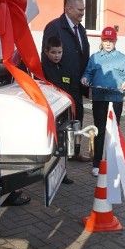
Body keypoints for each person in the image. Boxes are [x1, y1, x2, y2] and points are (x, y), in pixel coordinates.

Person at [42, 0, 91, 162]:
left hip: (77, 85)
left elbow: (84, 55)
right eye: (80, 10)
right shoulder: (54, 27)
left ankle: (74, 151)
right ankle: (58, 157)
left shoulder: (81, 29)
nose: (83, 13)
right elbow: (47, 59)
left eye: (83, 9)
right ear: (69, 9)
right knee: (62, 123)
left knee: (78, 117)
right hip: (61, 88)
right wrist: (56, 86)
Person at [81, 26, 125, 176]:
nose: (108, 43)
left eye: (111, 40)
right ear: (101, 41)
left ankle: (113, 162)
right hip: (99, 98)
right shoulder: (95, 57)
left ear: (115, 41)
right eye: (105, 40)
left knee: (114, 131)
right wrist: (85, 79)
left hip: (116, 98)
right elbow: (88, 73)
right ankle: (97, 163)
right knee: (100, 130)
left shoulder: (122, 58)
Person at [41, 36, 75, 184]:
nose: (57, 55)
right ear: (46, 52)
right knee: (51, 145)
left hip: (62, 113)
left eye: (59, 52)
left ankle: (62, 173)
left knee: (63, 144)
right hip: (49, 113)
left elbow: (69, 86)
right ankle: (47, 175)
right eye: (53, 52)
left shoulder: (64, 67)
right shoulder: (42, 68)